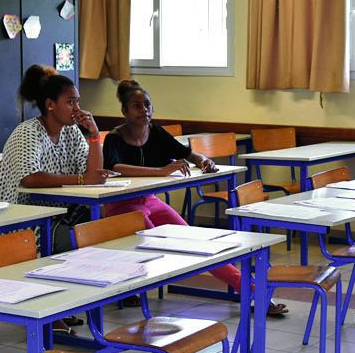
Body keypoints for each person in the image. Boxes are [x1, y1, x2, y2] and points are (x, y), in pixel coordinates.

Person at [104, 79, 286, 316]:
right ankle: (128, 289)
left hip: (150, 200)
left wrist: (203, 161)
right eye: (137, 106)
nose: (144, 110)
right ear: (125, 111)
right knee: (155, 241)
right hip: (121, 205)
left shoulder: (156, 132)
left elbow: (188, 153)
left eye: (147, 105)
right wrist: (160, 171)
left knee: (194, 242)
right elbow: (115, 167)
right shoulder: (115, 138)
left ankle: (252, 291)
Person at [0, 64, 110, 241]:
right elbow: (30, 178)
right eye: (70, 102)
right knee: (85, 240)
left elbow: (93, 174)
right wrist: (82, 179)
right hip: (26, 222)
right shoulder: (28, 132)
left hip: (64, 214)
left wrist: (94, 135)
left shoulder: (71, 131)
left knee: (106, 231)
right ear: (50, 104)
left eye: (78, 102)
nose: (77, 108)